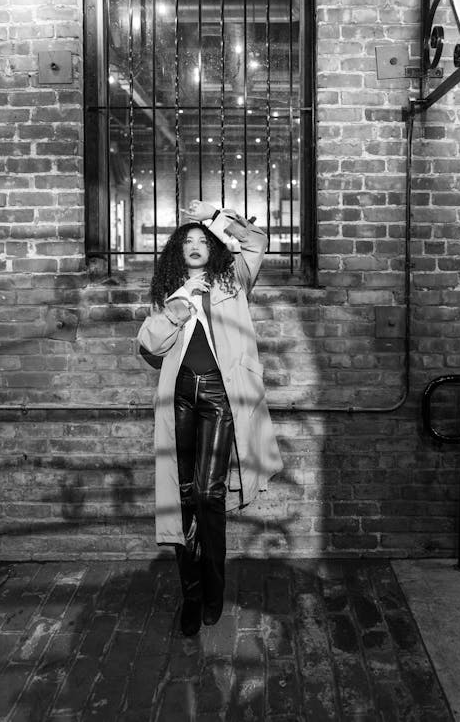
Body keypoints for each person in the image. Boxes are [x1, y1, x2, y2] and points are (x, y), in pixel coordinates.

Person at [137, 200, 283, 636]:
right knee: (182, 497)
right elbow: (148, 344)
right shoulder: (170, 291)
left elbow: (256, 241)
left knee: (207, 493)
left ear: (214, 247)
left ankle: (215, 588)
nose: (196, 245)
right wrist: (178, 310)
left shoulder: (233, 278)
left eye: (203, 240)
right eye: (189, 241)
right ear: (177, 253)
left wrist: (215, 215)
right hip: (180, 396)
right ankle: (192, 592)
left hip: (220, 396)